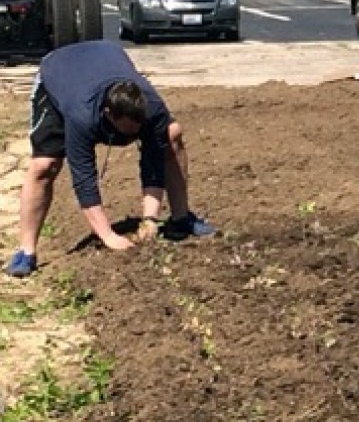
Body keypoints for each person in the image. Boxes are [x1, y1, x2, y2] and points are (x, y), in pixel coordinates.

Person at [12, 40, 215, 277]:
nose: (130, 136)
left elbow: (153, 163)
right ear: (109, 114)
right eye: (127, 131)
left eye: (137, 129)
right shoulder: (82, 117)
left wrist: (149, 218)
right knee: (45, 166)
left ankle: (181, 218)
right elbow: (84, 180)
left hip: (104, 59)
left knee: (172, 134)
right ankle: (26, 251)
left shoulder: (153, 108)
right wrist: (108, 236)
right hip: (59, 73)